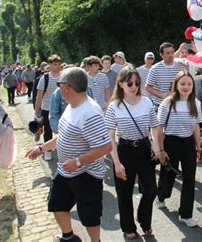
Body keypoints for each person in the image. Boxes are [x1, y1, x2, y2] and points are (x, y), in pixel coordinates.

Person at [25, 67, 112, 242]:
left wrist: (78, 162)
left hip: (86, 174)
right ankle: (68, 237)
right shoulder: (72, 106)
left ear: (67, 87)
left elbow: (105, 147)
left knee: (89, 215)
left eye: (59, 84)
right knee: (57, 204)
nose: (57, 88)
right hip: (66, 171)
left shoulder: (90, 112)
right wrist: (42, 148)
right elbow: (62, 136)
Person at [105, 67, 159, 239]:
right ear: (120, 84)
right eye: (129, 83)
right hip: (124, 151)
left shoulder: (147, 102)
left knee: (151, 190)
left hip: (144, 149)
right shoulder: (114, 106)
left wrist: (156, 145)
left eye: (137, 83)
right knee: (125, 193)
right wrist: (117, 162)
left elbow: (155, 125)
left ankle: (144, 219)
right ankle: (128, 227)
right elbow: (110, 136)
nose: (134, 86)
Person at [155, 70, 202, 228]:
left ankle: (186, 214)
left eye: (189, 84)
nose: (186, 86)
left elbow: (196, 126)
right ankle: (161, 197)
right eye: (182, 83)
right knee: (168, 174)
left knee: (189, 179)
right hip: (171, 143)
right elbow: (159, 128)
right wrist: (160, 150)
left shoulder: (195, 103)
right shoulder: (167, 103)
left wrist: (198, 147)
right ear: (176, 85)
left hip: (188, 143)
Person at [35, 54, 62, 161]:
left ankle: (64, 149)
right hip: (47, 108)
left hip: (62, 108)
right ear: (50, 65)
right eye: (55, 64)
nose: (57, 66)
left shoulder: (64, 76)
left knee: (64, 129)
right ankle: (47, 151)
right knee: (48, 130)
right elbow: (39, 96)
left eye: (59, 64)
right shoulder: (44, 78)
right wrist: (36, 111)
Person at [146, 42, 184, 108]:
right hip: (160, 105)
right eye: (168, 53)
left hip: (178, 105)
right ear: (161, 55)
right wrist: (162, 95)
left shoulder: (180, 66)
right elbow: (148, 87)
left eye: (172, 52)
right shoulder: (155, 68)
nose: (171, 55)